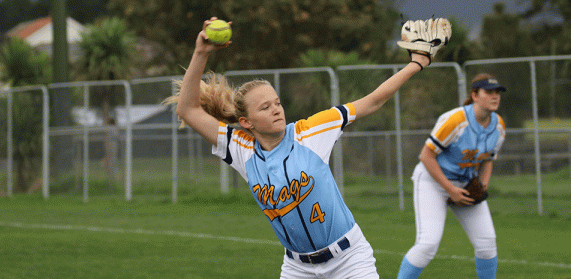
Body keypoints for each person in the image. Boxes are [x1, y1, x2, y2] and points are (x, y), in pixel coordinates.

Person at [168, 17, 449, 279]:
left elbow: (373, 101)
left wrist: (417, 63)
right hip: (297, 267)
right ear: (246, 122)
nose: (277, 110)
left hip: (349, 259)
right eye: (265, 107)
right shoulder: (241, 148)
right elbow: (188, 109)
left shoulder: (310, 131)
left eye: (277, 102)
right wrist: (201, 53)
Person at [396, 73, 506, 279]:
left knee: (487, 244)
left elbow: (488, 159)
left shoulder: (498, 126)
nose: (495, 96)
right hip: (432, 181)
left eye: (497, 92)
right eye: (489, 92)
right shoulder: (455, 120)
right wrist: (449, 190)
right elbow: (426, 155)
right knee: (428, 244)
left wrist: (482, 187)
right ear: (474, 95)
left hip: (464, 185)